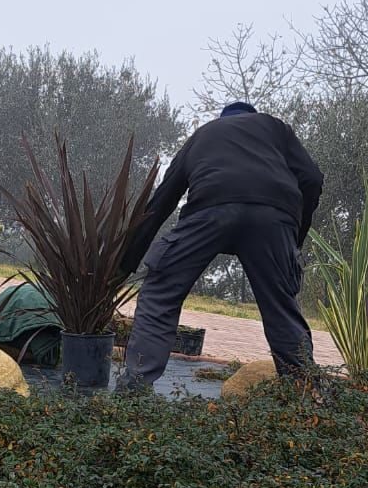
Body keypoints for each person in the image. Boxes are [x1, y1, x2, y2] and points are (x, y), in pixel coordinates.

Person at [120, 102, 323, 389]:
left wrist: (124, 263)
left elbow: (161, 202)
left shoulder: (203, 135)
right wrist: (293, 239)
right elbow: (312, 178)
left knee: (161, 293)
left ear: (223, 119)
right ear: (251, 117)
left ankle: (134, 388)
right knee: (281, 308)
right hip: (273, 217)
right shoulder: (274, 128)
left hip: (210, 210)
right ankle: (306, 397)